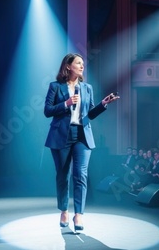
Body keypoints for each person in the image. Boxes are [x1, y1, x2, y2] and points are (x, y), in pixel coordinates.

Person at [44, 53, 119, 231]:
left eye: (83, 63)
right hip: (61, 135)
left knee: (81, 175)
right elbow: (47, 110)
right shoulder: (55, 87)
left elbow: (90, 114)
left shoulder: (87, 88)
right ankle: (64, 210)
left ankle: (79, 214)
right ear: (68, 66)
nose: (82, 66)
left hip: (82, 135)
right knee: (63, 176)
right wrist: (66, 103)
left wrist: (103, 104)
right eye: (78, 63)